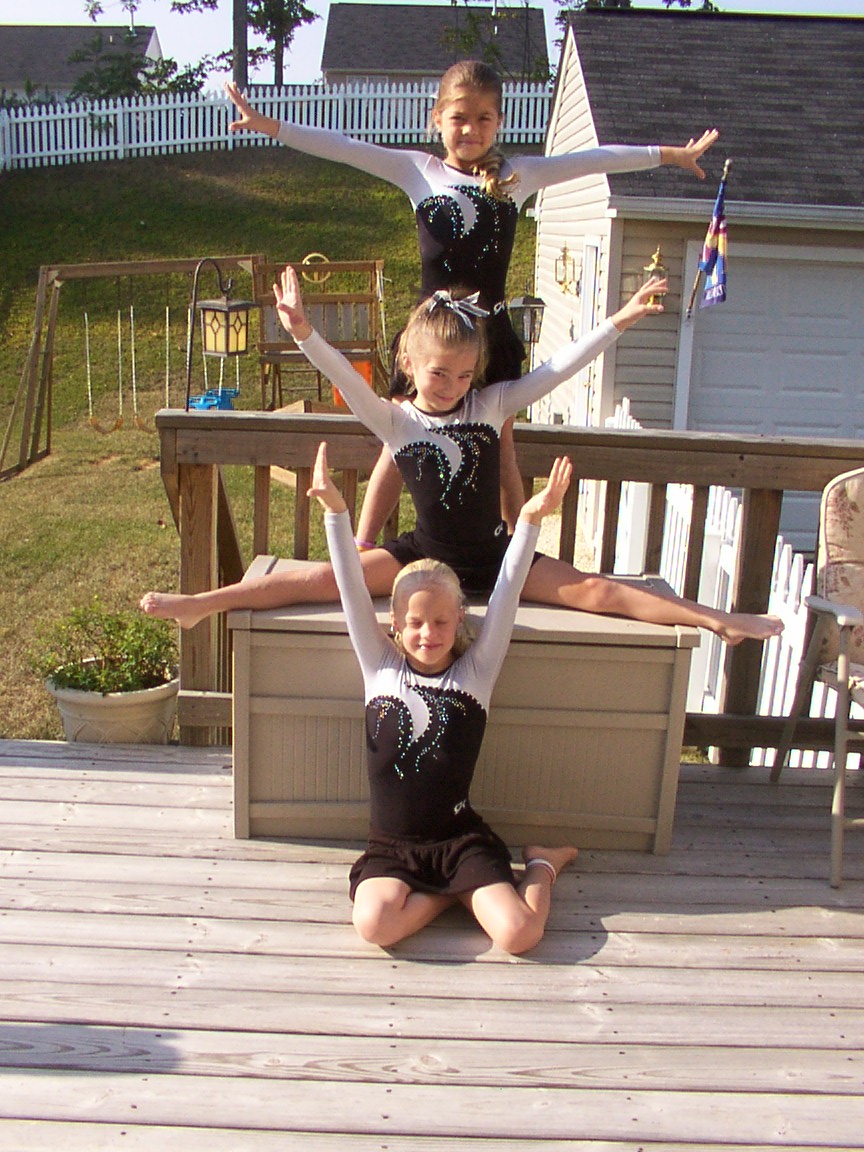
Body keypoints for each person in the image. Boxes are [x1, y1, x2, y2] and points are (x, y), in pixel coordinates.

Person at [141, 265, 783, 649]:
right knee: (313, 580)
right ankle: (204, 603)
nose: (453, 386)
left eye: (465, 374)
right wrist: (303, 331)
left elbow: (561, 367)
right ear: (410, 363)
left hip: (495, 556)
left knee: (596, 591)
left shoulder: (491, 406)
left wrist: (621, 319)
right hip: (421, 557)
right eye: (439, 373)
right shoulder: (397, 420)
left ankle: (715, 619)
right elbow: (342, 376)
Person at [223, 61, 719, 533]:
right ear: (437, 118)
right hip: (430, 337)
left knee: (500, 444)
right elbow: (344, 147)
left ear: (499, 122)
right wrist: (269, 126)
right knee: (397, 442)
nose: (470, 129)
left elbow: (593, 160)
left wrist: (668, 155)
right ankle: (364, 545)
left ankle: (514, 546)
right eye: (459, 117)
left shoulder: (516, 177)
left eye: (484, 118)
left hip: (490, 335)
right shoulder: (418, 171)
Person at [309, 438, 578, 953]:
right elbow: (349, 585)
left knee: (520, 934)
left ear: (459, 620)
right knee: (373, 925)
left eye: (439, 621)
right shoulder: (380, 666)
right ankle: (452, 897)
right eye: (415, 622)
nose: (427, 633)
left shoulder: (475, 672)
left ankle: (542, 863)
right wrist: (336, 511)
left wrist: (529, 520)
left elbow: (508, 589)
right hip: (393, 848)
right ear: (395, 623)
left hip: (459, 844)